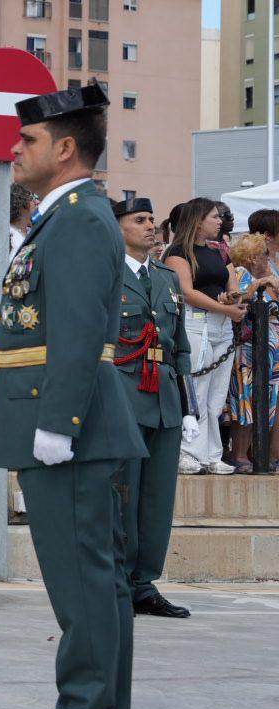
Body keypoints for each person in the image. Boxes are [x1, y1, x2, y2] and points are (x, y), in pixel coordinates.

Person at [0, 83, 146, 709]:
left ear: (63, 147)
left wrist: (58, 424)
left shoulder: (80, 218)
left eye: (27, 141)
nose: (14, 150)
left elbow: (80, 330)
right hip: (70, 423)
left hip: (69, 429)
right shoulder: (66, 216)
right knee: (99, 578)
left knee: (82, 580)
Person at [112, 197, 197, 618]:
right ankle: (119, 581)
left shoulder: (165, 277)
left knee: (157, 498)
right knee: (122, 495)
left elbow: (179, 344)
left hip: (163, 398)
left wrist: (188, 405)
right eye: (139, 220)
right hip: (122, 397)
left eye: (151, 219)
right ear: (117, 227)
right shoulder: (105, 276)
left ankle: (144, 583)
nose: (150, 226)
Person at [164, 198, 244, 476]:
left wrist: (232, 298)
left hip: (221, 324)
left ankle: (212, 453)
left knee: (216, 394)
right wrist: (225, 308)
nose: (219, 220)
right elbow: (187, 291)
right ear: (198, 220)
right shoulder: (178, 252)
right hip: (196, 323)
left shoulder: (216, 252)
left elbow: (230, 283)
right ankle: (187, 452)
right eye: (213, 216)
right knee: (196, 389)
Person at [226, 232, 279, 473]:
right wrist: (259, 284)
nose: (267, 259)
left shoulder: (267, 279)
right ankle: (240, 454)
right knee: (246, 402)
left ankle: (259, 453)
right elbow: (239, 301)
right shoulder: (240, 274)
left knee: (266, 404)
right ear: (250, 257)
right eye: (263, 255)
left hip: (270, 354)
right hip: (249, 351)